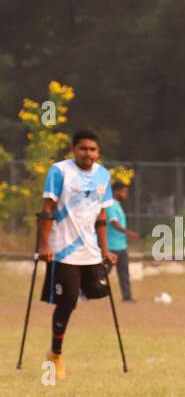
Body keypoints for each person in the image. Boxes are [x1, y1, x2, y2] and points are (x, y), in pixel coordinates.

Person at [36, 129, 116, 380]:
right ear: (73, 150)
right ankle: (55, 354)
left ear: (98, 152)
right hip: (63, 250)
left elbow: (102, 215)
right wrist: (44, 246)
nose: (88, 154)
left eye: (92, 149)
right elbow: (47, 210)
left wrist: (105, 249)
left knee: (98, 291)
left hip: (90, 250)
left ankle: (70, 291)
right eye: (83, 149)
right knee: (68, 301)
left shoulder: (103, 175)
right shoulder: (60, 171)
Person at [105, 180, 140, 302]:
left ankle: (127, 297)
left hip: (121, 246)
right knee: (102, 274)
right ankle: (83, 293)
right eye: (124, 191)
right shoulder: (110, 205)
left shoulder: (117, 204)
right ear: (115, 192)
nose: (125, 194)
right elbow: (113, 222)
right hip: (111, 246)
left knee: (124, 274)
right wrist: (128, 233)